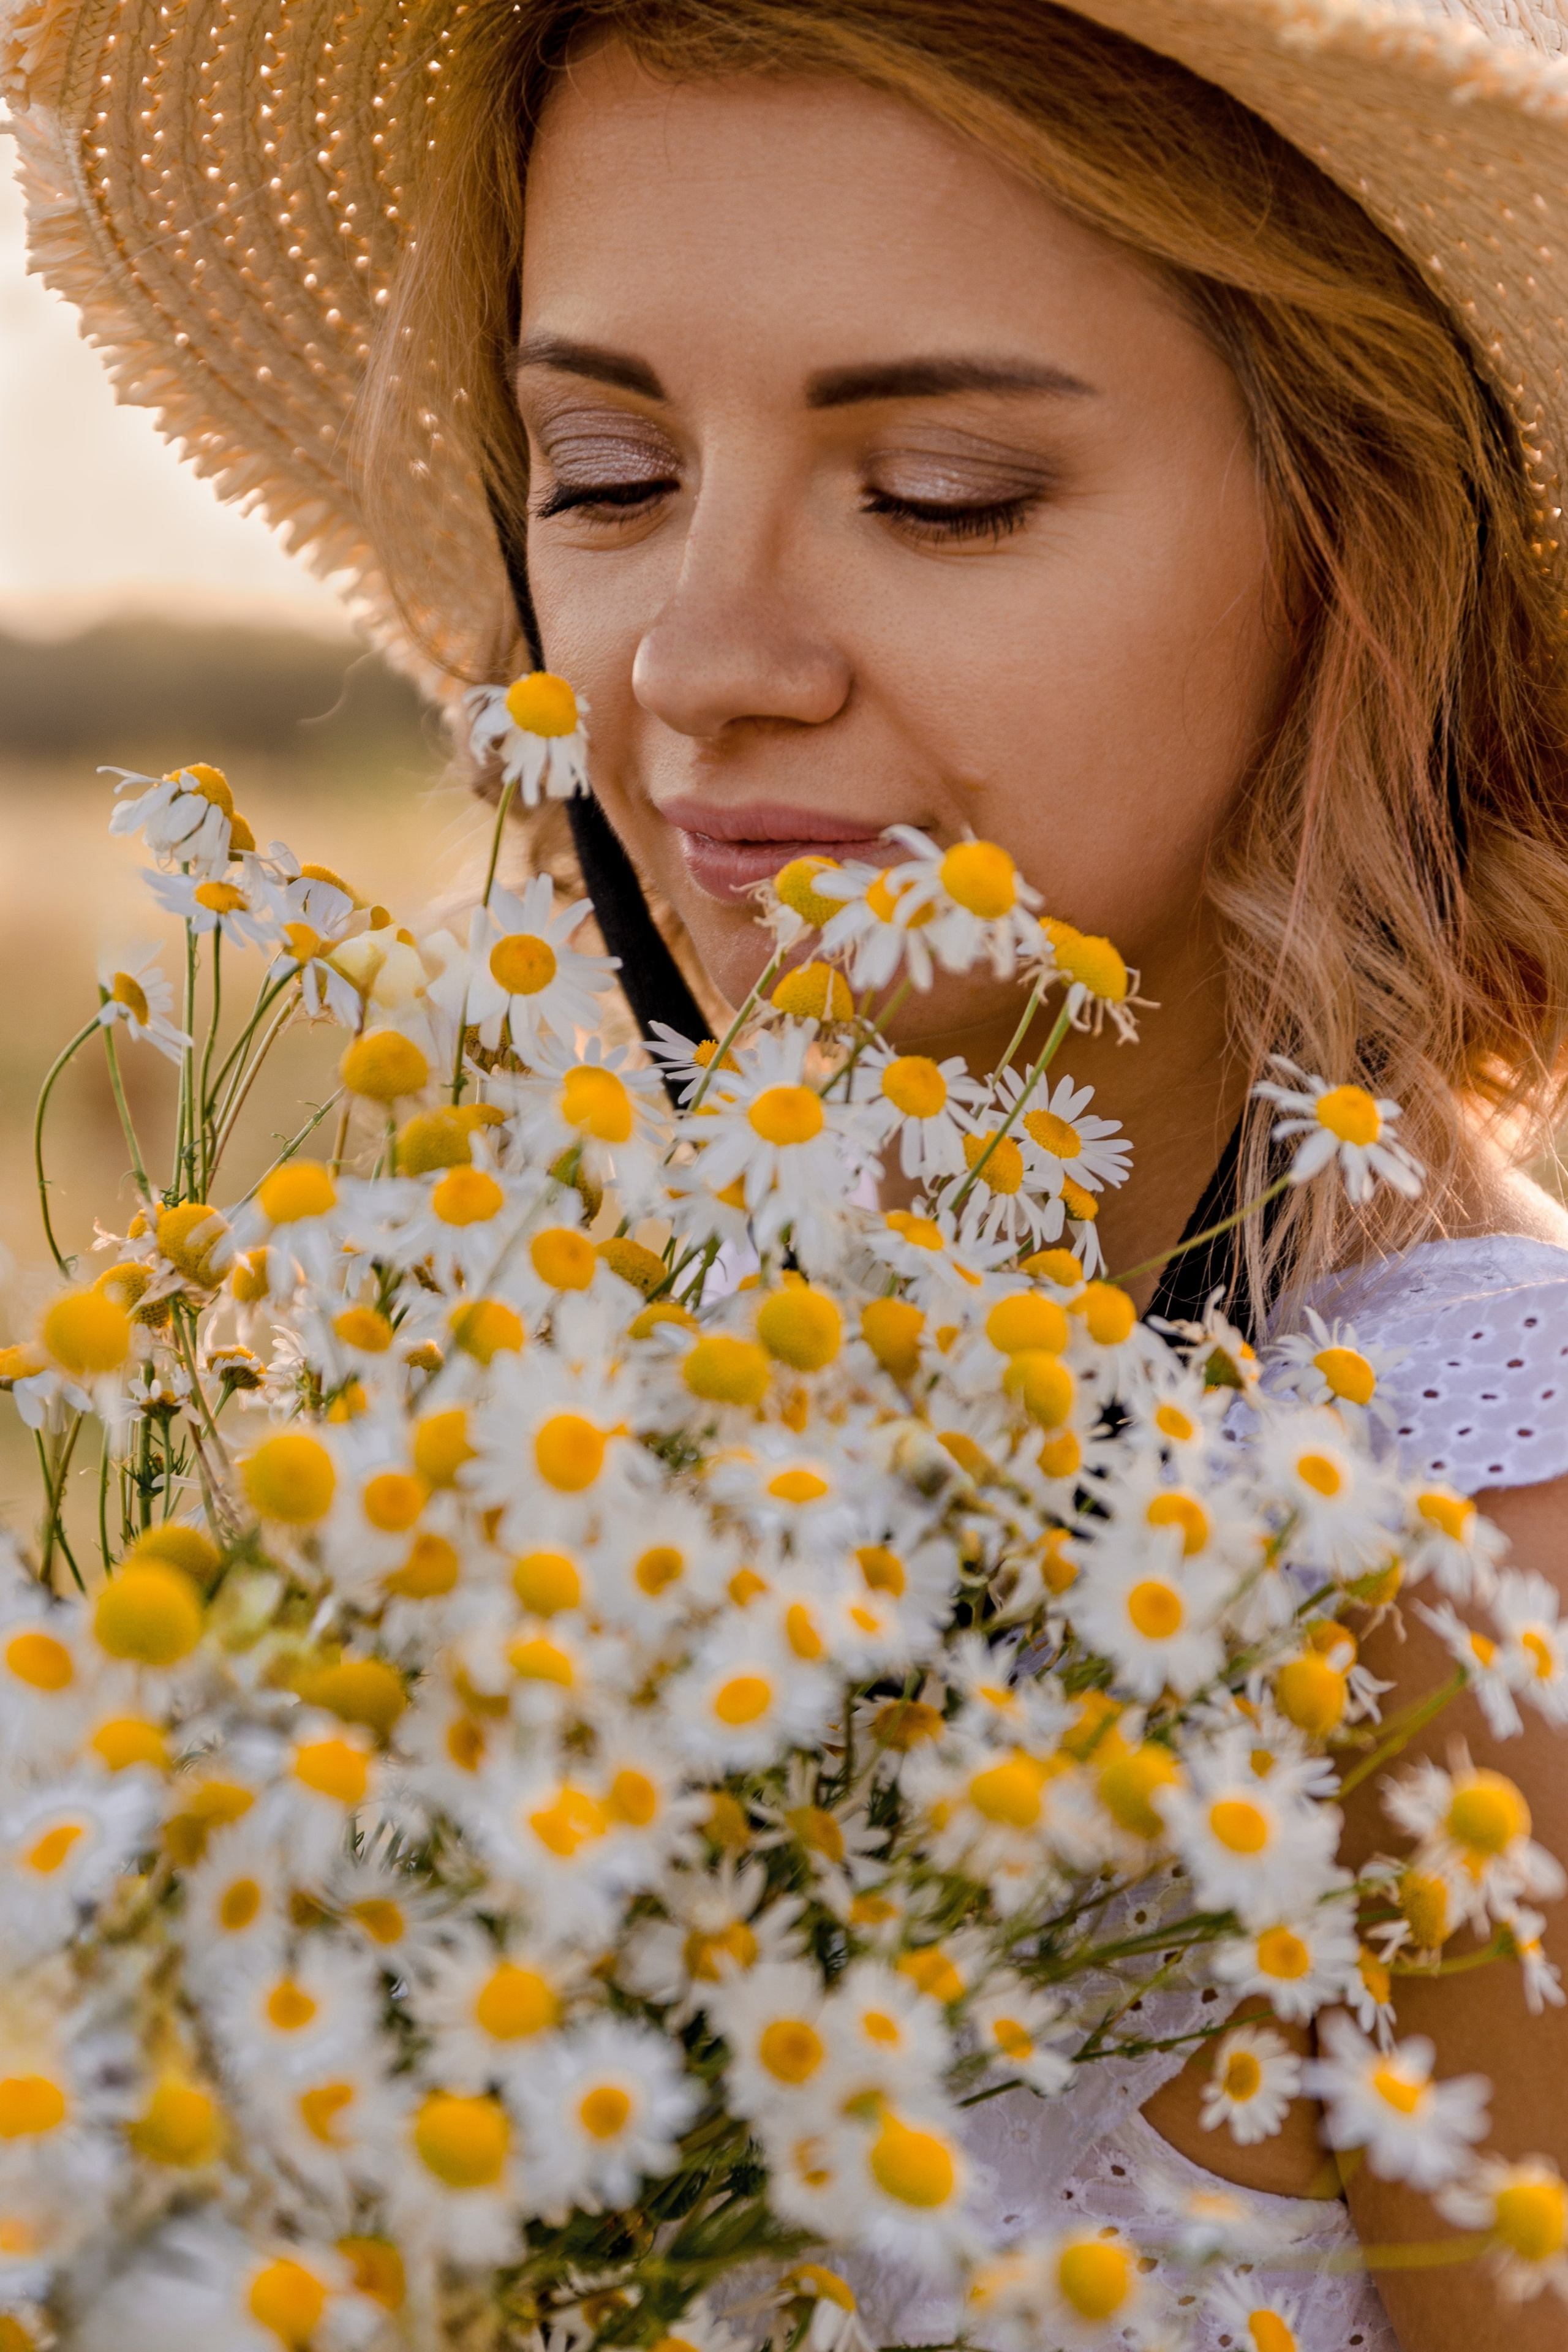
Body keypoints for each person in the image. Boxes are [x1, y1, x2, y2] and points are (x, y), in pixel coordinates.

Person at [9, 0, 1568, 2342]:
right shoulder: (548, 1400)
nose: (691, 663)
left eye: (943, 487)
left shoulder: (1468, 1548)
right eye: (608, 473)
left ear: (1360, 543)